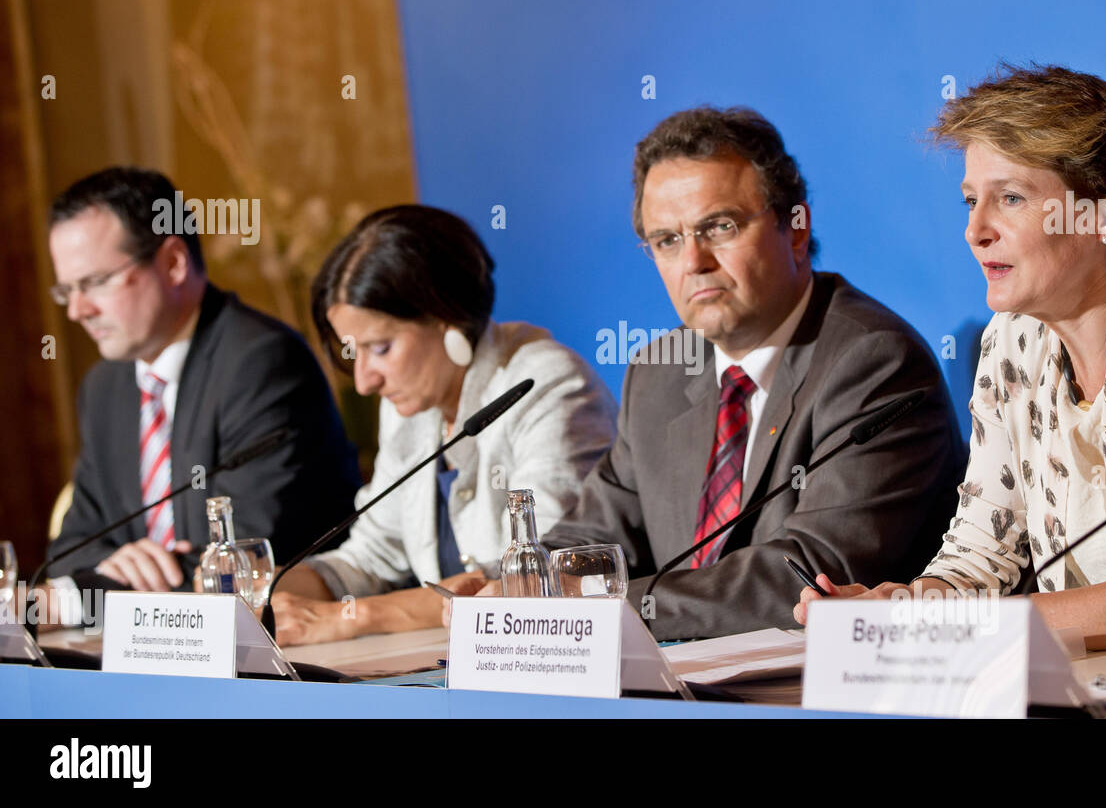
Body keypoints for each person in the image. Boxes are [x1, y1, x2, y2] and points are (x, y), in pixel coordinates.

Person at [795, 65, 1106, 649]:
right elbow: (981, 556)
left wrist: (953, 625)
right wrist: (895, 606)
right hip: (1096, 689)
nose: (974, 230)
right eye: (969, 201)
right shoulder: (1013, 340)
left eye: (1010, 198)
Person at [453, 106, 966, 640]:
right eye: (667, 240)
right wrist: (521, 589)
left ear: (794, 230)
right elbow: (594, 534)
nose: (693, 261)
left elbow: (811, 575)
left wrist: (602, 607)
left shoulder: (874, 361)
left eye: (719, 227)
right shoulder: (659, 373)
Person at [269, 205, 618, 645]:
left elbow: (542, 572)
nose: (364, 381)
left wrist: (354, 617)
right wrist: (267, 590)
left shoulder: (545, 382)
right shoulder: (408, 405)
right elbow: (373, 555)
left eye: (380, 348)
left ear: (446, 317)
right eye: (352, 353)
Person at [43, 166, 361, 627]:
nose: (77, 311)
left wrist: (80, 599)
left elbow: (242, 565)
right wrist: (111, 569)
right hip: (147, 650)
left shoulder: (260, 362)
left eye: (94, 283)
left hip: (274, 656)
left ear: (172, 263)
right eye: (67, 290)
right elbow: (71, 550)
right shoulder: (105, 387)